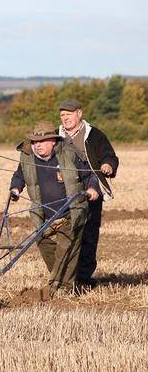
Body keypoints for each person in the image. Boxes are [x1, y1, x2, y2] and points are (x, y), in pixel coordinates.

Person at [10, 121, 100, 296]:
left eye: (42, 141)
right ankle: (62, 278)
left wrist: (92, 188)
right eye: (35, 142)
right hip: (43, 215)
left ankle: (64, 288)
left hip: (71, 211)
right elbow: (19, 175)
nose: (38, 145)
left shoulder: (69, 153)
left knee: (67, 248)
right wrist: (15, 189)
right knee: (43, 242)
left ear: (53, 141)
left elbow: (89, 175)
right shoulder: (27, 157)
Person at [58, 98, 119, 287]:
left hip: (92, 189)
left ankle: (83, 278)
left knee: (89, 235)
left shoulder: (94, 135)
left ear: (79, 113)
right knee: (66, 234)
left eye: (69, 114)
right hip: (65, 192)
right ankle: (66, 276)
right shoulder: (56, 138)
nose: (65, 118)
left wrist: (108, 164)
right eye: (62, 115)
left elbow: (110, 155)